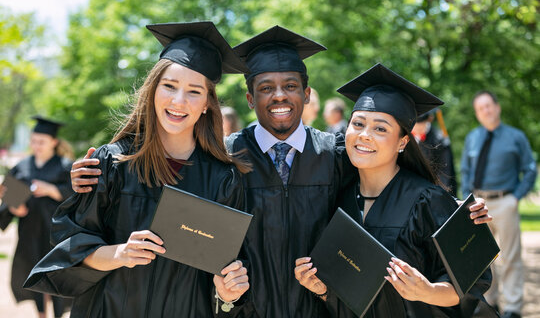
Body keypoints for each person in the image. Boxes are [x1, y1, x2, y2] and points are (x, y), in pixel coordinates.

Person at [68, 28, 492, 318]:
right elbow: (168, 184)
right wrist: (95, 175)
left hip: (323, 309)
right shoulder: (224, 159)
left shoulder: (337, 154)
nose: (279, 96)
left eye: (290, 85)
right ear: (250, 98)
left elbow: (387, 179)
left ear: (307, 94)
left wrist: (455, 214)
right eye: (266, 87)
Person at [23, 22, 252, 318]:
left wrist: (227, 292)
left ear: (207, 103)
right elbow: (72, 245)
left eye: (194, 92)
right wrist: (120, 253)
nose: (178, 101)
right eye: (169, 86)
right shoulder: (112, 163)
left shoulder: (223, 179)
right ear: (153, 89)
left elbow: (224, 274)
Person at [295, 63, 494, 317]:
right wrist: (322, 290)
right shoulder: (340, 201)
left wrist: (428, 291)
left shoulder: (426, 200)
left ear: (402, 142)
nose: (364, 135)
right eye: (358, 124)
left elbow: (472, 282)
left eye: (380, 128)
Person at [461, 90, 537, 318]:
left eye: (488, 106)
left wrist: (516, 198)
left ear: (497, 107)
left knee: (511, 256)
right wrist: (466, 199)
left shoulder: (516, 137)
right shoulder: (472, 138)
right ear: (477, 113)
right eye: (480, 108)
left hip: (505, 201)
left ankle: (513, 307)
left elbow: (530, 169)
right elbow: (465, 171)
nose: (486, 111)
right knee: (483, 257)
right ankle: (490, 303)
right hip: (477, 203)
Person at [0, 116, 74, 318]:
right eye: (33, 141)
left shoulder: (66, 166)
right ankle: (41, 314)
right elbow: (9, 200)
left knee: (57, 276)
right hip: (30, 233)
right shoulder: (22, 167)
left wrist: (51, 190)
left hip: (57, 234)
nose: (36, 145)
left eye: (41, 141)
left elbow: (78, 197)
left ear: (54, 142)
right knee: (34, 277)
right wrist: (16, 208)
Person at [412, 109, 458, 196]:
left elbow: (445, 174)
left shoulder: (440, 140)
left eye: (421, 125)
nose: (417, 129)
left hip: (434, 192)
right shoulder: (405, 138)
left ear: (429, 119)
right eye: (414, 126)